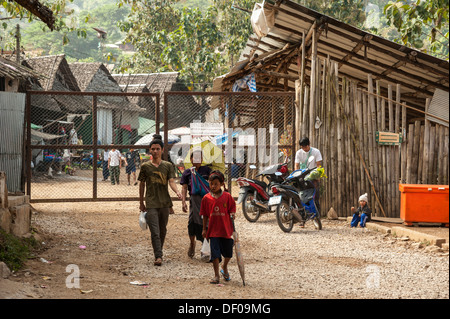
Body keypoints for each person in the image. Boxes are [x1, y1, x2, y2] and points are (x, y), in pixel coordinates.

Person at [138, 138, 182, 266]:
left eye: (158, 149)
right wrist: (141, 202)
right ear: (149, 150)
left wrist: (177, 192)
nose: (155, 151)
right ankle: (158, 256)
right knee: (155, 231)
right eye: (153, 149)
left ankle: (159, 251)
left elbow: (172, 181)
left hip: (164, 203)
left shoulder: (167, 166)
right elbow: (142, 185)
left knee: (163, 230)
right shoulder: (145, 166)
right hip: (151, 203)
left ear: (162, 150)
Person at [200, 171, 236, 284]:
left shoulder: (227, 197)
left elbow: (232, 209)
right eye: (211, 184)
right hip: (213, 231)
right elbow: (205, 214)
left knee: (228, 253)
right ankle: (216, 276)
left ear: (221, 183)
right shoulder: (206, 198)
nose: (213, 186)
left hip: (226, 230)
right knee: (215, 254)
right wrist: (204, 229)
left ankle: (224, 266)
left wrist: (233, 214)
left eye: (215, 184)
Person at [180, 149, 211, 258]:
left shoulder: (207, 170)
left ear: (202, 160)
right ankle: (192, 243)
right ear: (191, 159)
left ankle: (205, 246)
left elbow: (213, 184)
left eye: (199, 158)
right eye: (195, 158)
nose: (197, 160)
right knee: (192, 223)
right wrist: (183, 202)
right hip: (194, 202)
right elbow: (184, 188)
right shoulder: (187, 172)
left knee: (206, 223)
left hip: (207, 201)